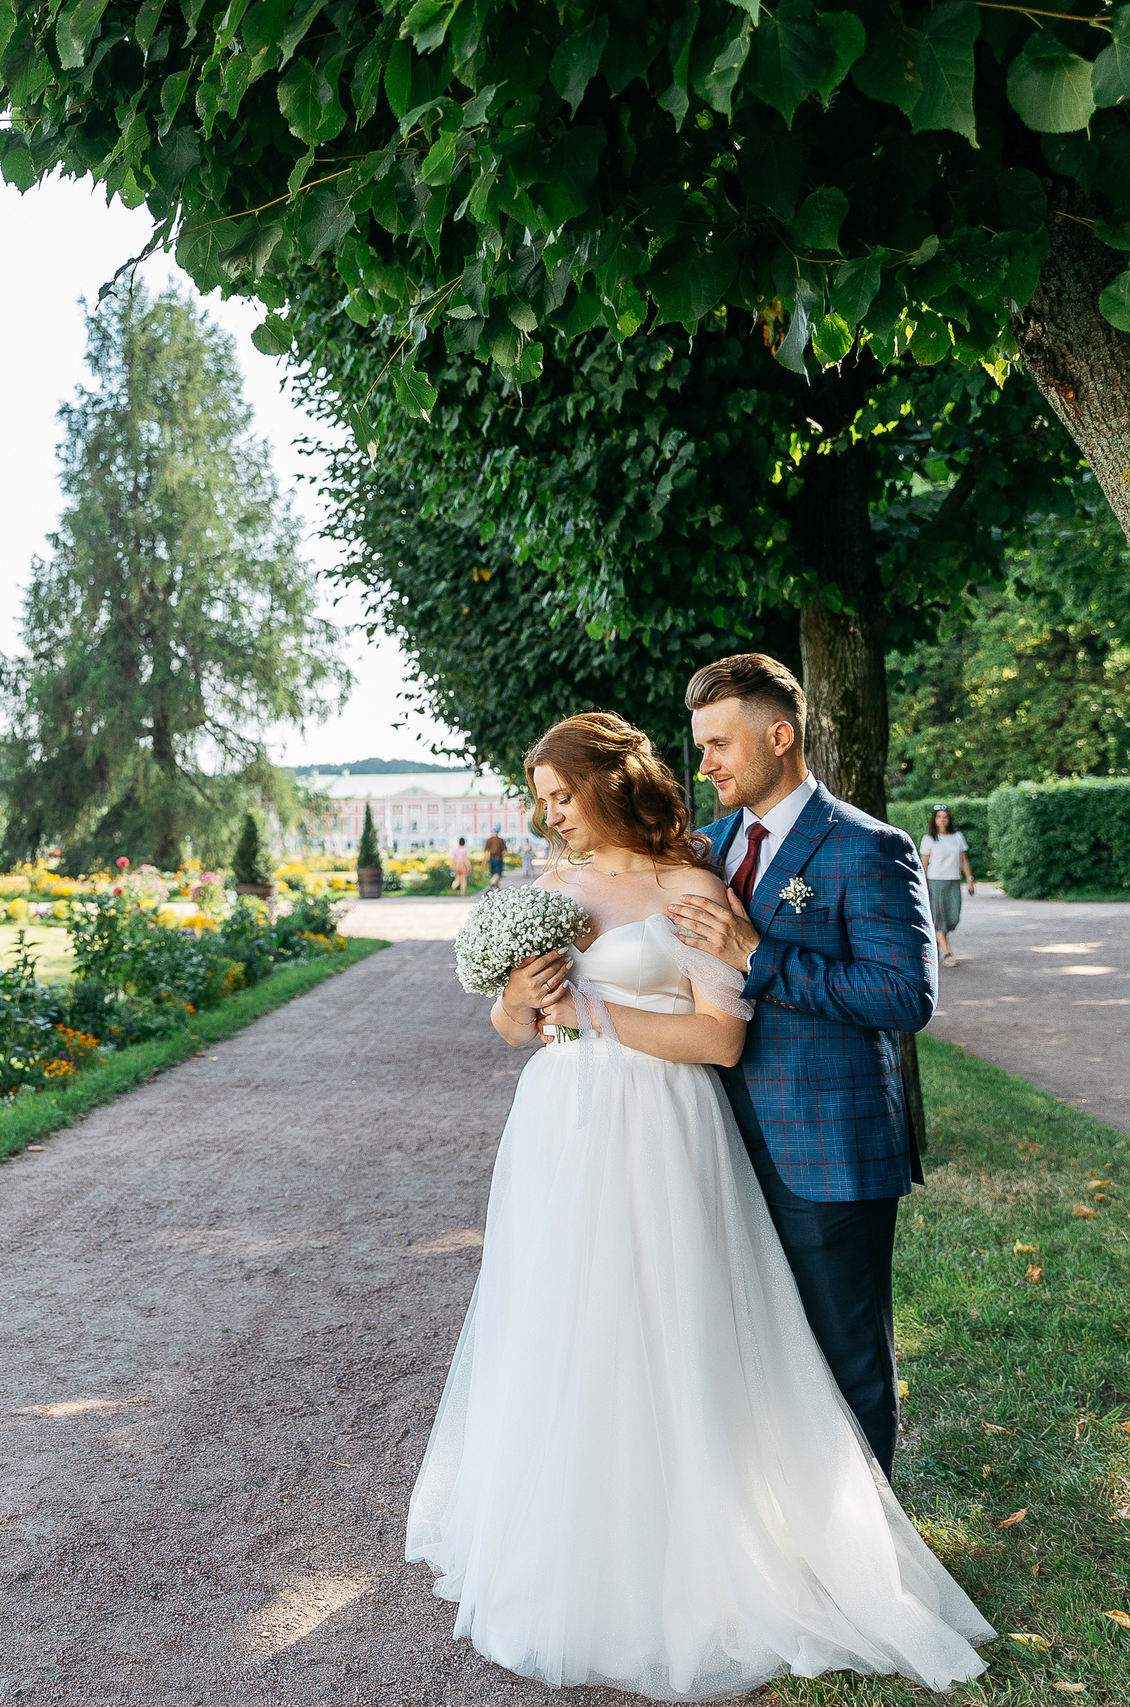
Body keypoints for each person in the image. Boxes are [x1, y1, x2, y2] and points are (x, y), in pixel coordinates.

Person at [406, 708, 989, 1699]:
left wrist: (588, 1010)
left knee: (673, 1327)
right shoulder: (547, 887)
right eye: (540, 802)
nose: (552, 819)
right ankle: (583, 1542)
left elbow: (718, 1040)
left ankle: (740, 1547)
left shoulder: (689, 884)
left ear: (609, 783)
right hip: (559, 1130)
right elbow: (520, 1029)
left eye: (563, 797)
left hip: (661, 1127)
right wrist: (524, 1003)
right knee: (570, 1332)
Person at [665, 653, 936, 1474]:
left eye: (719, 744)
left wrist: (760, 954)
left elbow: (904, 996)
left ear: (779, 735)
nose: (703, 764)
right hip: (712, 1146)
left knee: (846, 1360)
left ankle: (872, 1560)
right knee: (753, 1357)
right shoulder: (703, 850)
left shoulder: (867, 848)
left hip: (828, 1150)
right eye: (700, 745)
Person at [918, 807, 975, 967]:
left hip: (953, 881)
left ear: (949, 819)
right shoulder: (929, 839)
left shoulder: (957, 837)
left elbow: (964, 860)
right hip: (935, 881)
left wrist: (969, 879)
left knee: (952, 917)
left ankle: (936, 945)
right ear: (934, 820)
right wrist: (922, 885)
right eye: (939, 817)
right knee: (939, 917)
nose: (942, 819)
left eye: (945, 817)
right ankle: (947, 953)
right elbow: (924, 863)